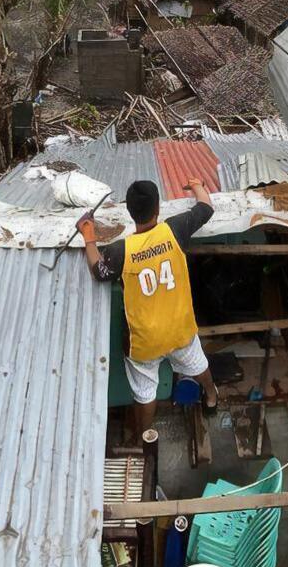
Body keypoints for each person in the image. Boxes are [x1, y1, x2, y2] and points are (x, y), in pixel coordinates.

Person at [79, 178, 218, 435]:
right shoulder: (174, 229)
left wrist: (89, 237)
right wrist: (197, 185)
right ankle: (211, 397)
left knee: (145, 392)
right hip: (180, 330)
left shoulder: (122, 250)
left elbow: (98, 271)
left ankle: (146, 436)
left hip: (145, 342)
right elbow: (206, 207)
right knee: (198, 364)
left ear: (130, 212)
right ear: (157, 210)